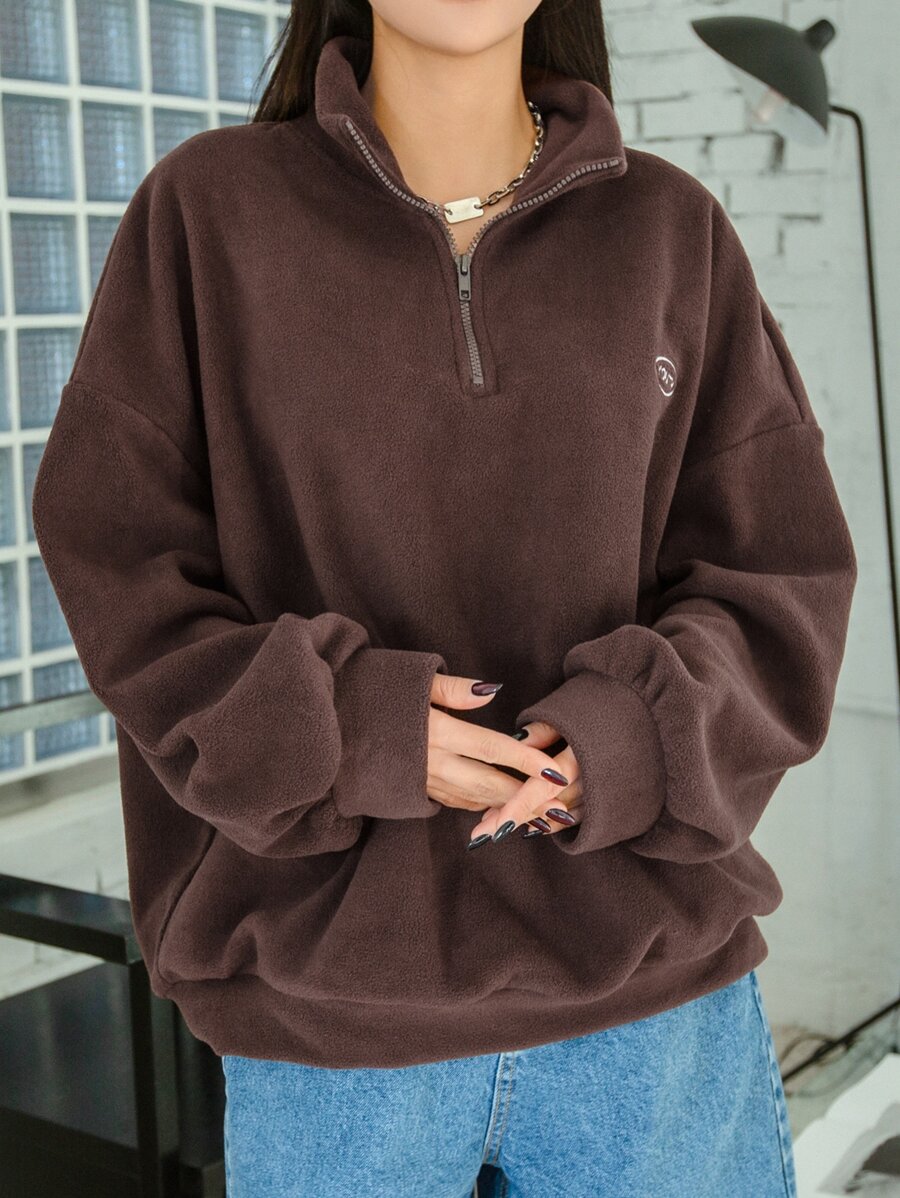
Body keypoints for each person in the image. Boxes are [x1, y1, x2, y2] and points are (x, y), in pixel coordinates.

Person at [31, 0, 857, 1194]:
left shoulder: (672, 231)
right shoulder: (206, 214)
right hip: (329, 1029)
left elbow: (779, 577)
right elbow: (119, 564)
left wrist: (632, 737)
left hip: (653, 1022)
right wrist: (347, 727)